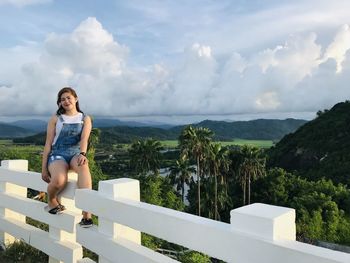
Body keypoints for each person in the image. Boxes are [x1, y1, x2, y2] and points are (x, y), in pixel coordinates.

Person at [41, 87, 93, 228]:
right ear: (59, 103)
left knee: (83, 167)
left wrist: (82, 154)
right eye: (62, 99)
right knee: (59, 180)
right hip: (58, 154)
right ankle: (51, 200)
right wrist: (44, 169)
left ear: (76, 99)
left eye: (68, 97)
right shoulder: (55, 119)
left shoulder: (85, 118)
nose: (66, 101)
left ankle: (86, 214)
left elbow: (84, 139)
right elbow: (48, 143)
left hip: (76, 153)